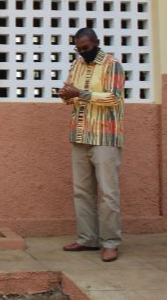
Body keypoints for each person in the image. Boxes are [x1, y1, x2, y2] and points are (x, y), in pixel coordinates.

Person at [59, 28, 125, 263]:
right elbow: (72, 95)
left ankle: (110, 243)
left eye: (85, 48)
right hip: (79, 135)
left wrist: (82, 93)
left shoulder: (111, 64)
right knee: (82, 192)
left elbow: (114, 97)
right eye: (78, 49)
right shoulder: (76, 65)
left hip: (105, 137)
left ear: (96, 42)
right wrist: (66, 95)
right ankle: (88, 239)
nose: (82, 52)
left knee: (108, 193)